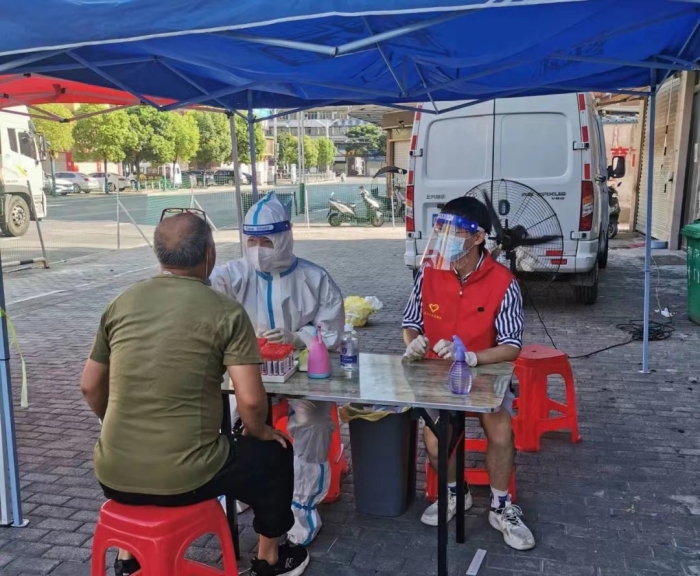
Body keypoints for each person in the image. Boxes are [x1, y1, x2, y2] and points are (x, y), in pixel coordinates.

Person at [80, 211, 309, 576]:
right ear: (210, 254)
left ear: (158, 254)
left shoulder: (121, 303)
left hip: (111, 473)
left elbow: (90, 385)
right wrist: (261, 431)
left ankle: (128, 558)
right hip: (186, 477)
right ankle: (270, 559)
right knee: (274, 453)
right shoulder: (225, 311)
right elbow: (251, 401)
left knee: (151, 467)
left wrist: (117, 421)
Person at [210, 193, 344, 546]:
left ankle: (303, 505)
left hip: (302, 373)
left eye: (266, 241)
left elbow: (333, 331)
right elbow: (203, 303)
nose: (258, 250)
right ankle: (236, 489)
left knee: (313, 423)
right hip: (245, 372)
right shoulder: (231, 275)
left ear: (284, 237)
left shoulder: (315, 278)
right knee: (221, 419)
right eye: (251, 241)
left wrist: (298, 337)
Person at [402, 196, 535, 551]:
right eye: (441, 230)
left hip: (485, 372)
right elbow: (411, 323)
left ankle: (501, 506)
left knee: (501, 430)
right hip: (436, 373)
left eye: (454, 232)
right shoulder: (429, 272)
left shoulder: (504, 282)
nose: (445, 239)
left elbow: (511, 345)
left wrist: (473, 357)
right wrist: (414, 344)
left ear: (477, 237)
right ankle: (455, 492)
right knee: (434, 439)